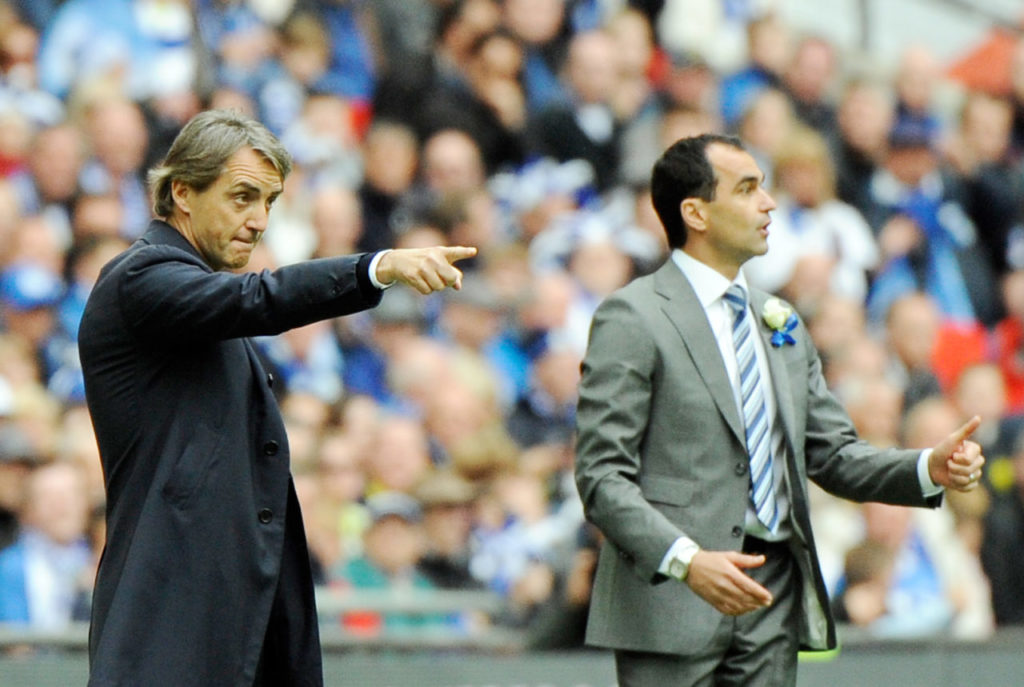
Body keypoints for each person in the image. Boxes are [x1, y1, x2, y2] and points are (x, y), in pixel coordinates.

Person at [77, 109, 475, 687]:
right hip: (173, 616)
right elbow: (257, 299)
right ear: (182, 192)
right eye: (242, 196)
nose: (259, 219)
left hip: (235, 610)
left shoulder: (191, 295)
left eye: (269, 200)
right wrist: (376, 267)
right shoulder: (142, 278)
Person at [573, 133, 986, 687]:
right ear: (695, 212)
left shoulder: (780, 320)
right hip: (672, 599)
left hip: (772, 595)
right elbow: (601, 476)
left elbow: (832, 453)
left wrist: (923, 469)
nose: (769, 204)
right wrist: (687, 560)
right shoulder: (634, 316)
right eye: (747, 190)